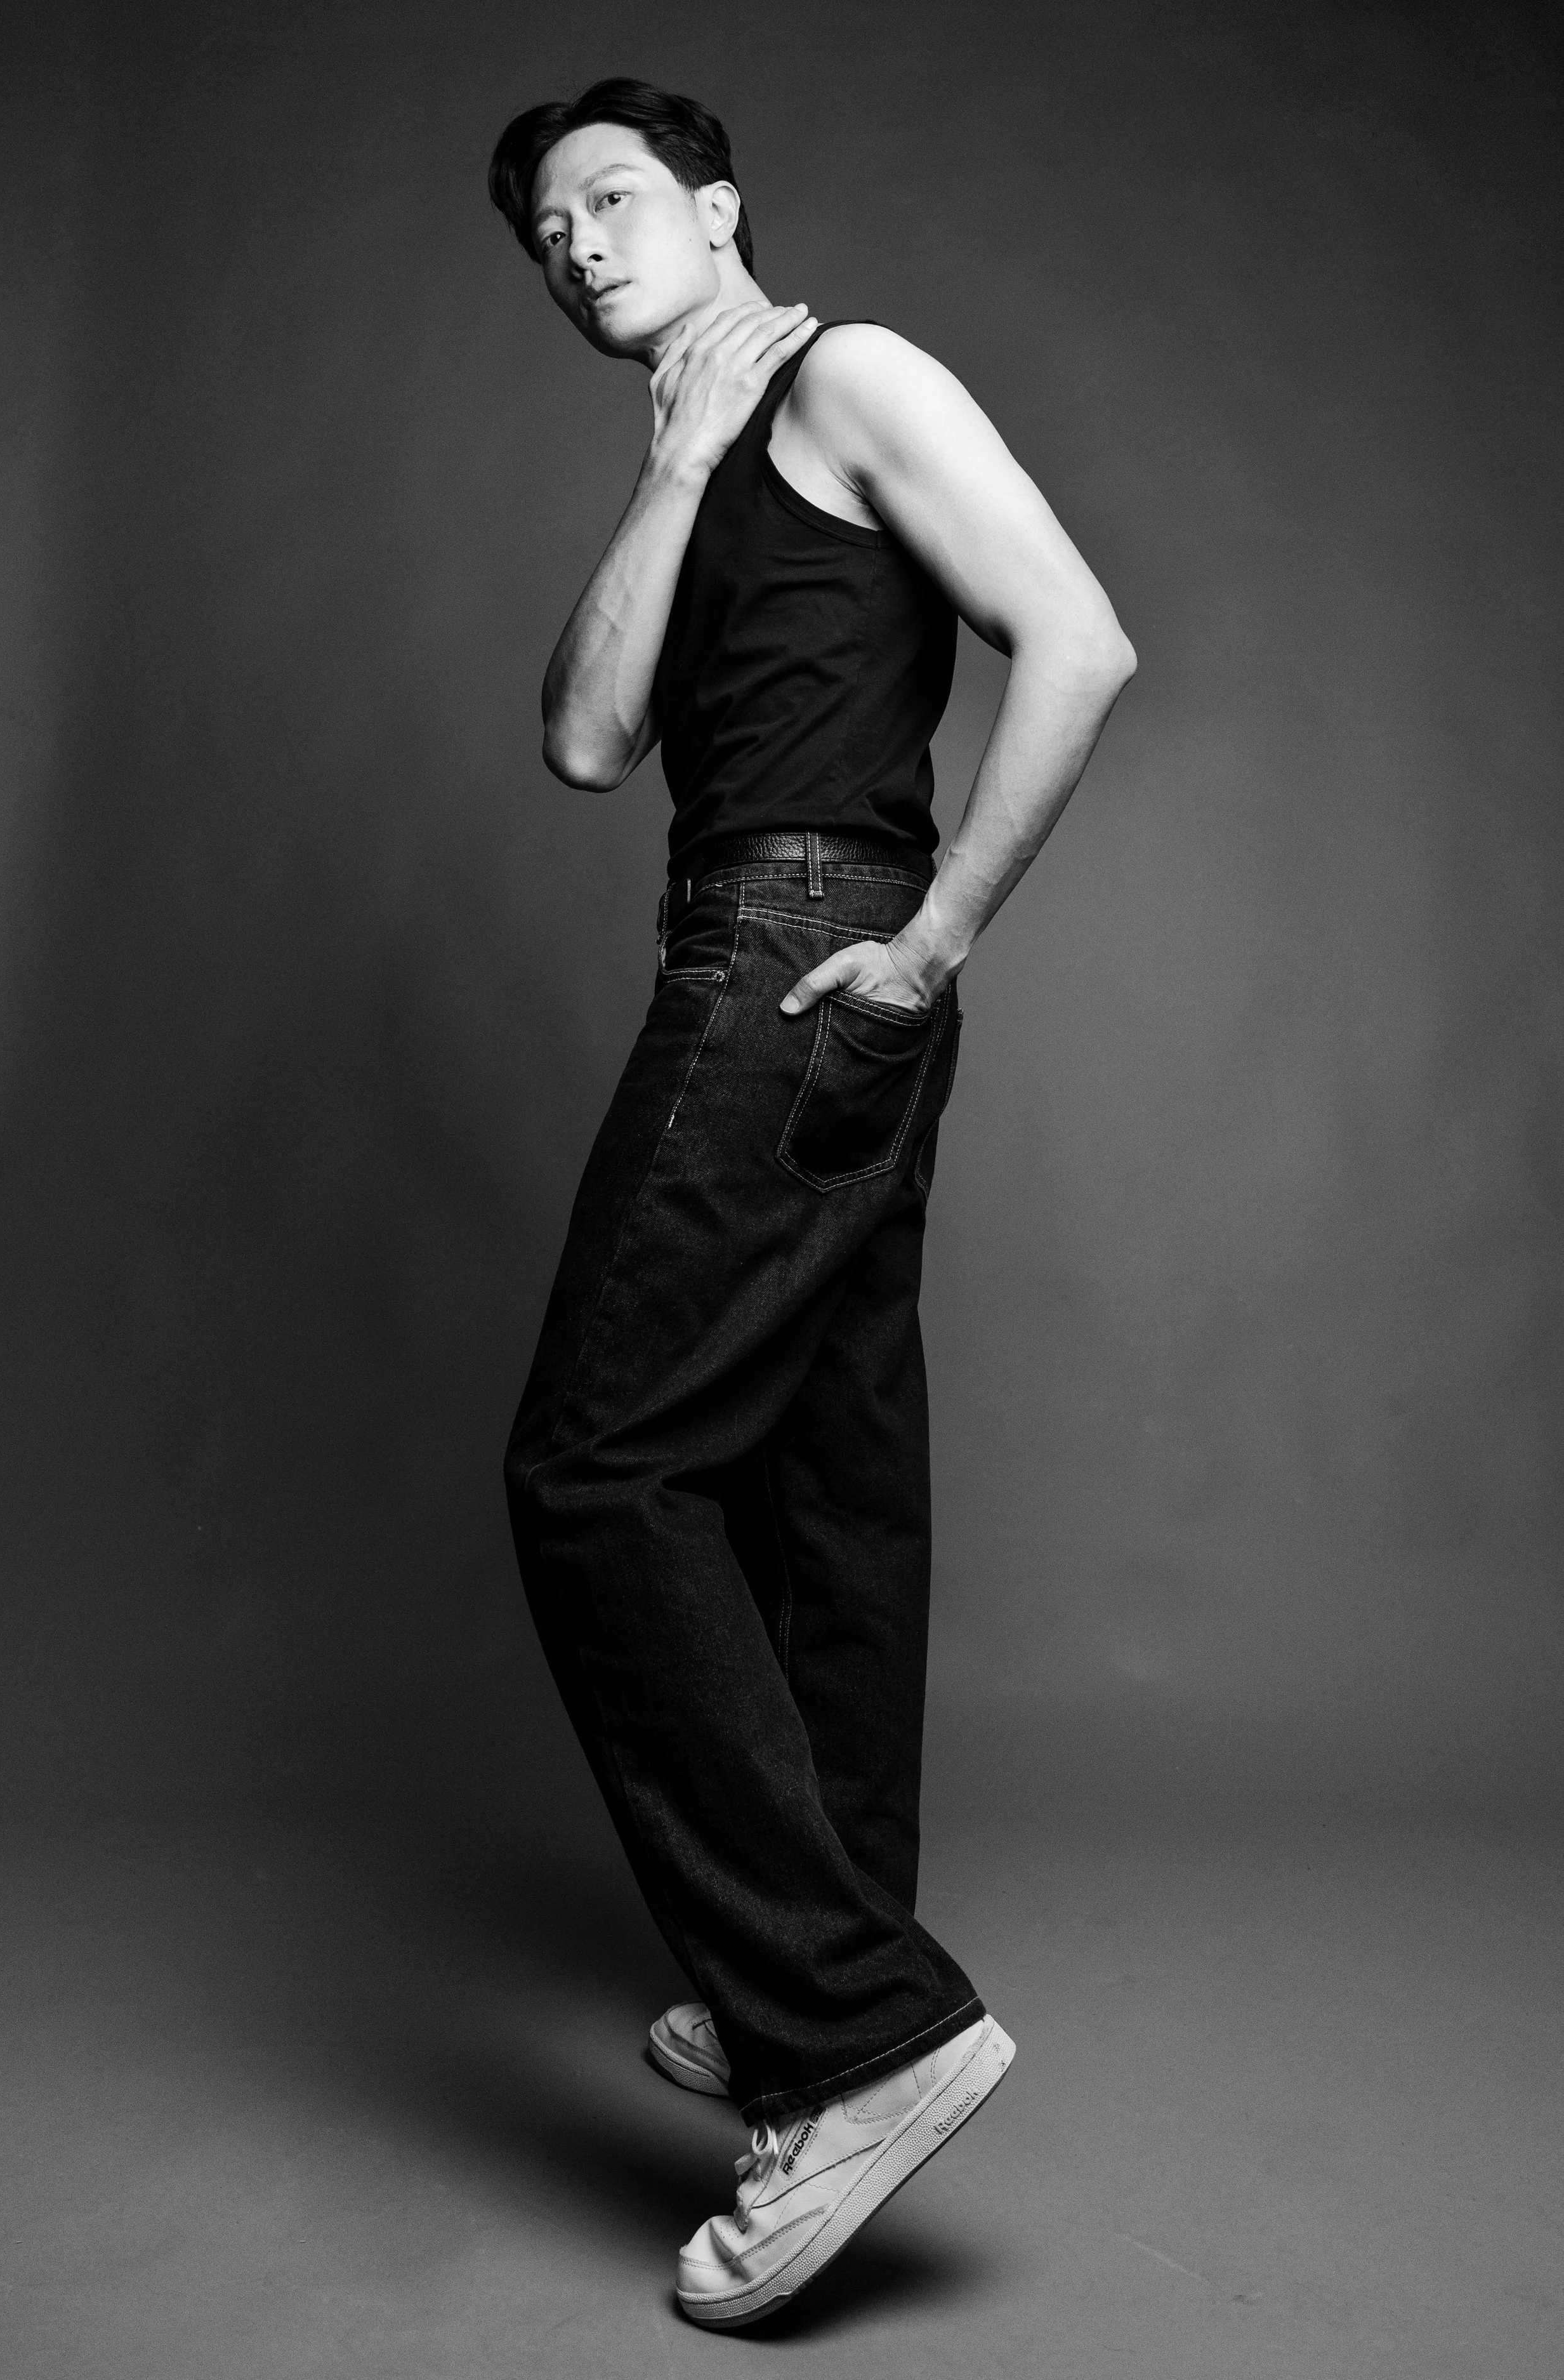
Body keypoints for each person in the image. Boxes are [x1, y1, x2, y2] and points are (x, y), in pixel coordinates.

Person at [489, 77, 1135, 2329]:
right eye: (543, 232)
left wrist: (938, 937)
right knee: (818, 1476)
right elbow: (585, 740)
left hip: (807, 951)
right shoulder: (700, 446)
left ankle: (852, 2032)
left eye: (611, 199)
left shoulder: (850, 373)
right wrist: (670, 468)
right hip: (786, 957)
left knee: (592, 1470)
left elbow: (1078, 637)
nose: (575, 243)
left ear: (716, 207)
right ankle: (811, 1987)